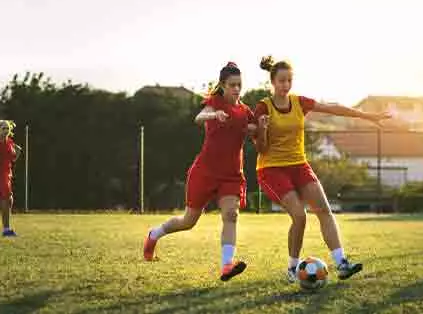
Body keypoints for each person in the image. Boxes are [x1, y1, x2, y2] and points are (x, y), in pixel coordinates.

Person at [254, 55, 391, 282]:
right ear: (272, 82)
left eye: (289, 80)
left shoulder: (299, 102)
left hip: (299, 165)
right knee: (300, 216)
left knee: (324, 211)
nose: (285, 85)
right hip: (271, 169)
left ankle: (342, 263)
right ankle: (291, 268)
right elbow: (261, 147)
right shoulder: (262, 107)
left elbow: (333, 109)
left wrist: (367, 116)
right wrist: (262, 129)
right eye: (281, 81)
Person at [143, 62, 256, 281]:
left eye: (239, 85)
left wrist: (261, 124)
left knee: (231, 215)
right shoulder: (214, 104)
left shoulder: (245, 111)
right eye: (232, 85)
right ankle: (153, 235)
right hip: (205, 172)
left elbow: (255, 132)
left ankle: (226, 265)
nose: (236, 89)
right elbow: (199, 117)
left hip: (232, 175)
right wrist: (215, 116)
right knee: (188, 221)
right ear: (222, 85)